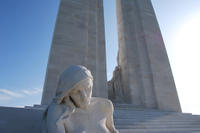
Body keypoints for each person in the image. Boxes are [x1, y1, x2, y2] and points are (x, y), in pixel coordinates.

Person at [42, 65, 119, 133]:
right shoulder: (59, 112)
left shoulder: (105, 106)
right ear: (67, 93)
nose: (84, 97)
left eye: (88, 88)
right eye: (76, 92)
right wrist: (55, 108)